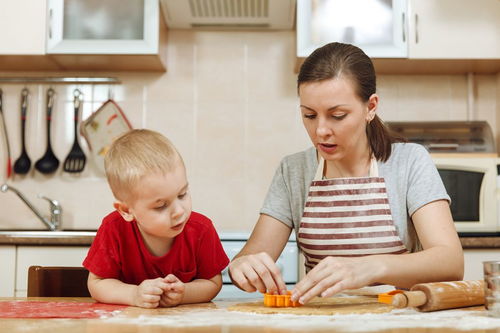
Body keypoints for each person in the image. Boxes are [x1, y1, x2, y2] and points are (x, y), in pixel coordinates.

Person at [228, 42, 463, 305]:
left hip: (397, 319)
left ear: (370, 107)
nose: (321, 131)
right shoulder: (293, 170)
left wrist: (369, 267)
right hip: (322, 321)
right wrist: (243, 267)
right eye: (309, 115)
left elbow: (450, 261)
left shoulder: (409, 162)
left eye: (337, 115)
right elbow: (249, 258)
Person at [83, 129, 229, 308]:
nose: (178, 211)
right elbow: (97, 284)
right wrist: (134, 295)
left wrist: (184, 294)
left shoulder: (201, 229)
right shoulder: (113, 229)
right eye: (161, 206)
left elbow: (213, 283)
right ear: (127, 210)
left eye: (182, 194)